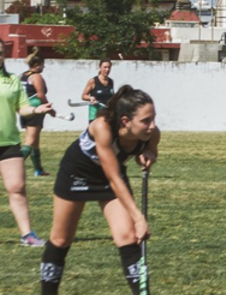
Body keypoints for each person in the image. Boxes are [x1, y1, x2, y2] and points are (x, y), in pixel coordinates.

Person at [41, 85, 160, 295]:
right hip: (77, 172)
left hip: (111, 174)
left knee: (128, 237)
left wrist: (150, 153)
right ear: (125, 121)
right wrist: (139, 218)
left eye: (153, 119)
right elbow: (114, 178)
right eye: (145, 121)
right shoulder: (102, 127)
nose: (152, 126)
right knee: (61, 239)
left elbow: (150, 149)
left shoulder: (152, 133)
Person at [0, 41, 53, 246]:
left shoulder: (12, 80)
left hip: (9, 142)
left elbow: (21, 107)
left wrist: (36, 110)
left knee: (17, 187)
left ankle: (28, 235)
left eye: (1, 53)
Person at [19, 47, 57, 176]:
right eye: (42, 65)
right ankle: (11, 166)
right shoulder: (36, 76)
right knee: (30, 141)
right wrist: (49, 108)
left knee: (35, 141)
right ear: (36, 65)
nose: (43, 67)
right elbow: (40, 95)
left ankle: (38, 169)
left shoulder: (23, 75)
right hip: (35, 110)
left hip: (24, 109)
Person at [81, 59, 114, 123]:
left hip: (107, 114)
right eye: (105, 67)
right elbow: (83, 96)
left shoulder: (111, 81)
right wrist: (90, 98)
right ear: (100, 67)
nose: (107, 70)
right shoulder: (93, 81)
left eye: (109, 67)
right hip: (95, 115)